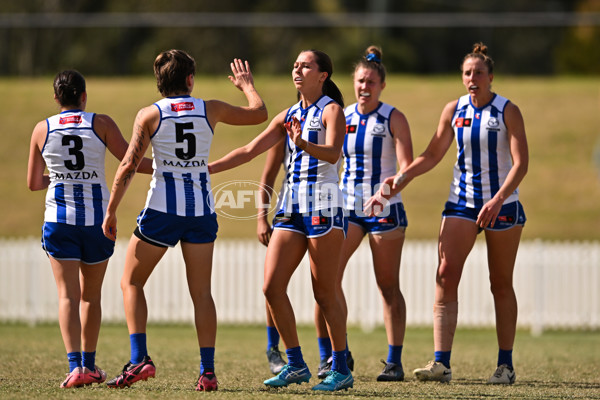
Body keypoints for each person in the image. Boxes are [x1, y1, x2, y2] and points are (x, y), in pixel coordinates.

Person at [101, 49, 267, 391]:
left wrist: (111, 209)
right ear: (190, 79)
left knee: (131, 283)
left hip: (162, 211)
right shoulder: (210, 108)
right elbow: (259, 113)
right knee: (202, 293)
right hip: (200, 212)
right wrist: (247, 85)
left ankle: (139, 360)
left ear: (160, 81)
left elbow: (129, 166)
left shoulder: (149, 114)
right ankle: (207, 372)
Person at [365, 43, 528, 385]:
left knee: (499, 282)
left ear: (491, 77)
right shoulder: (454, 109)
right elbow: (433, 153)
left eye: (479, 73)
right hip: (462, 202)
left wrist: (498, 199)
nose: (472, 78)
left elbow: (521, 163)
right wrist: (400, 178)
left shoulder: (507, 111)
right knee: (445, 273)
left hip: (502, 203)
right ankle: (442, 363)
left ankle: (505, 365)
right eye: (467, 73)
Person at [209, 49, 353, 392]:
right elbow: (249, 150)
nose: (297, 69)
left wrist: (302, 141)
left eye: (306, 65)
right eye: (295, 64)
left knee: (325, 293)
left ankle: (341, 367)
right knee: (272, 286)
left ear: (323, 75)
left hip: (324, 206)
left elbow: (334, 153)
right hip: (290, 208)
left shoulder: (332, 110)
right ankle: (296, 363)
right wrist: (207, 168)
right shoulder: (288, 114)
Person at [27, 70, 152, 388]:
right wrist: (169, 166)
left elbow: (33, 182)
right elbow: (130, 159)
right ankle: (91, 365)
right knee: (90, 297)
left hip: (59, 221)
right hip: (97, 221)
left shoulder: (42, 129)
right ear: (84, 96)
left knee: (67, 296)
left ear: (56, 98)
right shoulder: (102, 123)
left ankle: (75, 367)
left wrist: (59, 180)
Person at [314, 45, 413, 381]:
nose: (364, 87)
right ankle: (336, 355)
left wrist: (385, 191)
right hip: (348, 208)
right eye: (359, 81)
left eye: (370, 81)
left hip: (385, 208)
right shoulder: (342, 115)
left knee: (387, 285)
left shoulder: (393, 117)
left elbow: (407, 167)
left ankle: (393, 361)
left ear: (381, 84)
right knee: (327, 280)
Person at [256, 138, 288, 375]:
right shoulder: (287, 127)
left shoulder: (336, 121)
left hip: (327, 212)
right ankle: (273, 348)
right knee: (273, 284)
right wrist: (261, 218)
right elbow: (268, 175)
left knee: (326, 286)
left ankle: (331, 354)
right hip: (289, 214)